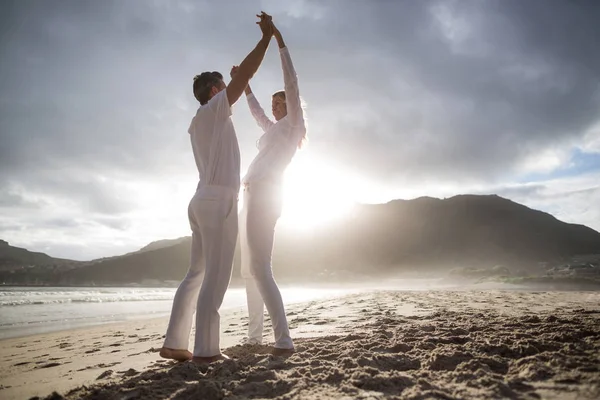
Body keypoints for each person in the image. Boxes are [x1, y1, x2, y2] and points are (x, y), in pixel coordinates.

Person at [159, 12, 274, 364]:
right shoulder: (214, 108)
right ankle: (207, 351)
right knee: (216, 277)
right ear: (214, 90)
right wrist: (267, 38)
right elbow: (248, 73)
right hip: (218, 199)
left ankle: (175, 343)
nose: (229, 89)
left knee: (196, 273)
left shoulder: (200, 121)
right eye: (225, 85)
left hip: (200, 200)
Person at [231, 21, 307, 356]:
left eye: (281, 103)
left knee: (261, 266)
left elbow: (291, 81)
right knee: (249, 269)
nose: (276, 108)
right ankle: (254, 337)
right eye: (274, 105)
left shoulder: (293, 126)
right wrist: (245, 87)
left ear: (291, 106)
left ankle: (284, 339)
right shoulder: (274, 128)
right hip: (250, 196)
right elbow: (258, 114)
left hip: (266, 195)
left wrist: (278, 39)